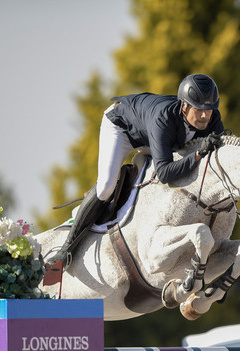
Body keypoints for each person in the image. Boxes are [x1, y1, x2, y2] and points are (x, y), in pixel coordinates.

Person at [45, 73, 225, 271]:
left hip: (152, 137)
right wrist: (199, 153)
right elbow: (165, 173)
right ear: (184, 106)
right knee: (106, 187)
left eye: (209, 109)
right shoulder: (163, 118)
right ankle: (66, 250)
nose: (204, 116)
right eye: (199, 109)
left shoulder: (211, 118)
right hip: (122, 129)